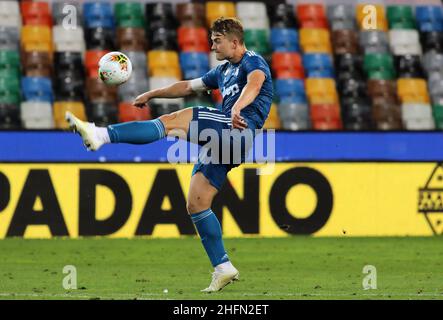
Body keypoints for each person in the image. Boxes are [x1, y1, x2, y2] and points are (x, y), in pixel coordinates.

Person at [66, 17, 273, 292]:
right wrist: (152, 93)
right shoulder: (222, 72)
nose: (212, 45)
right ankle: (223, 267)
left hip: (238, 130)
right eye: (211, 40)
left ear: (234, 41)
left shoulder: (253, 61)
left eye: (217, 40)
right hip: (225, 140)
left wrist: (238, 108)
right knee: (197, 203)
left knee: (172, 121)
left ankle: (100, 135)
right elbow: (187, 86)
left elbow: (255, 84)